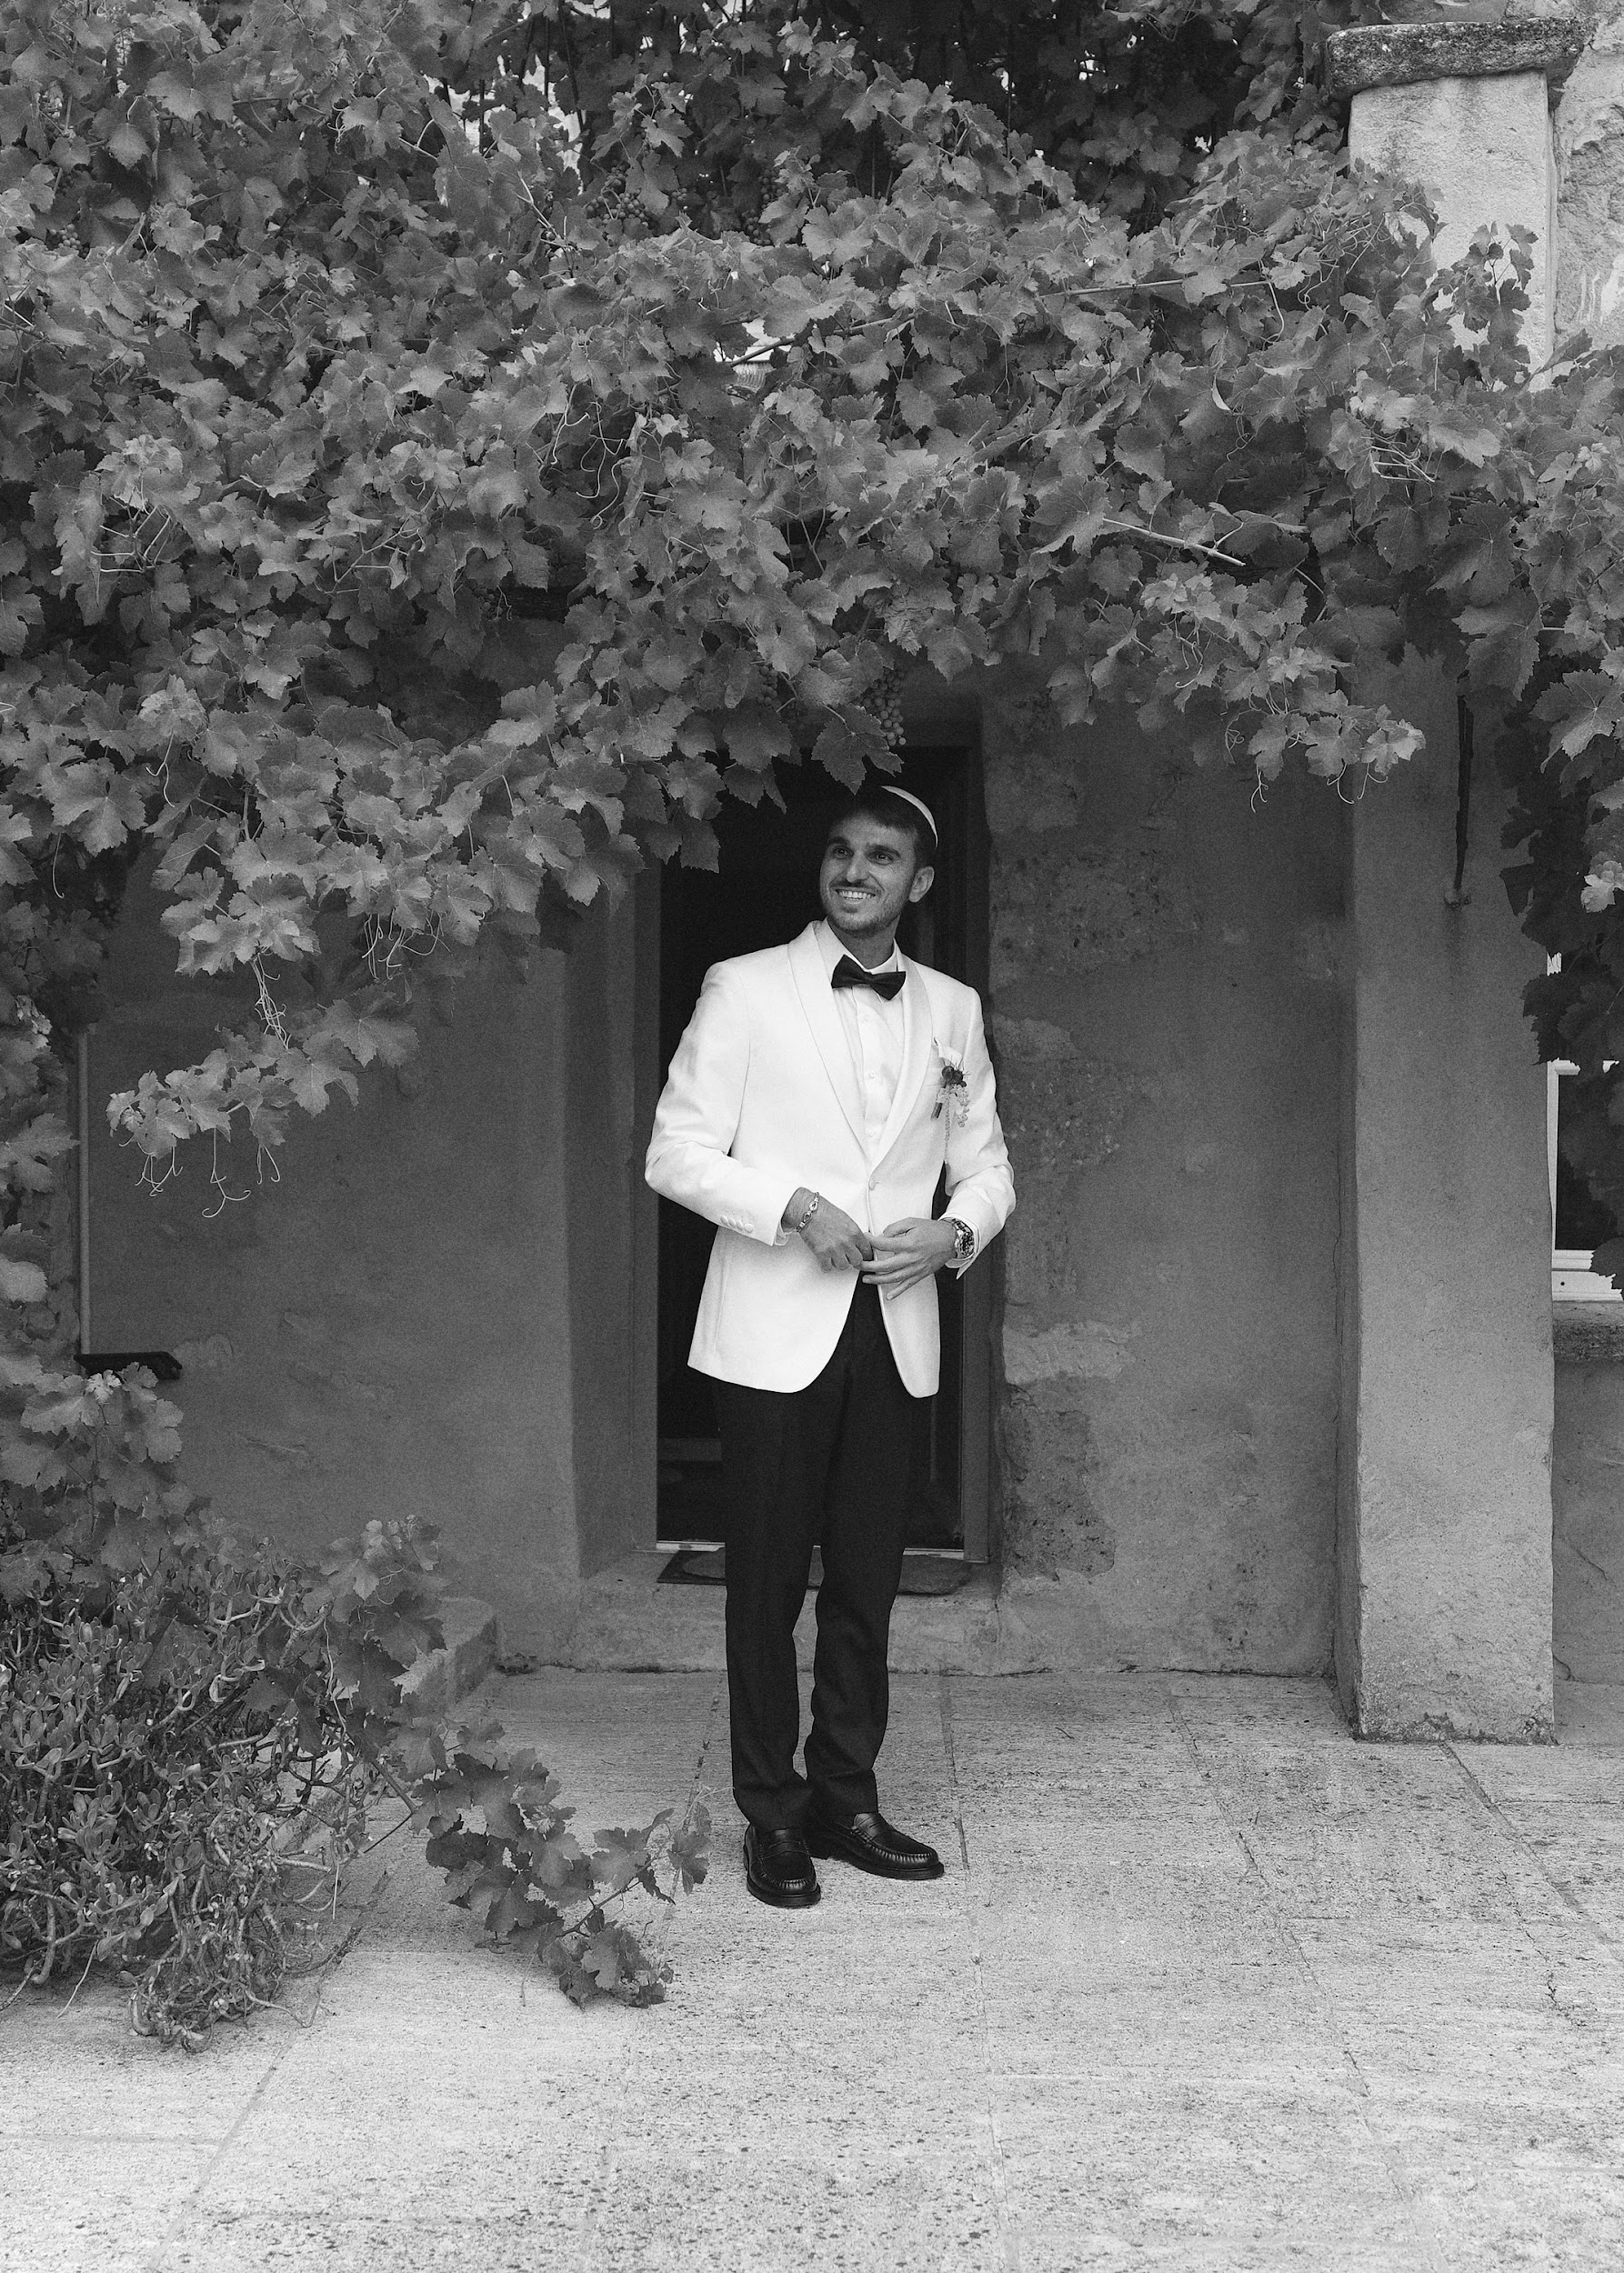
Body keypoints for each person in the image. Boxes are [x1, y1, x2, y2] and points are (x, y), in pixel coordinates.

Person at [646, 781, 1015, 1909]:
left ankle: (845, 1796)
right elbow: (675, 1152)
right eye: (843, 853)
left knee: (866, 1581)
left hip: (895, 1332)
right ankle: (771, 1813)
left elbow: (988, 1164)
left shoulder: (951, 1008)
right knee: (763, 1585)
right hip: (772, 1332)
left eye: (884, 858)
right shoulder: (744, 988)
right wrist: (794, 1206)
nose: (857, 872)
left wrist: (953, 1230)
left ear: (919, 881)